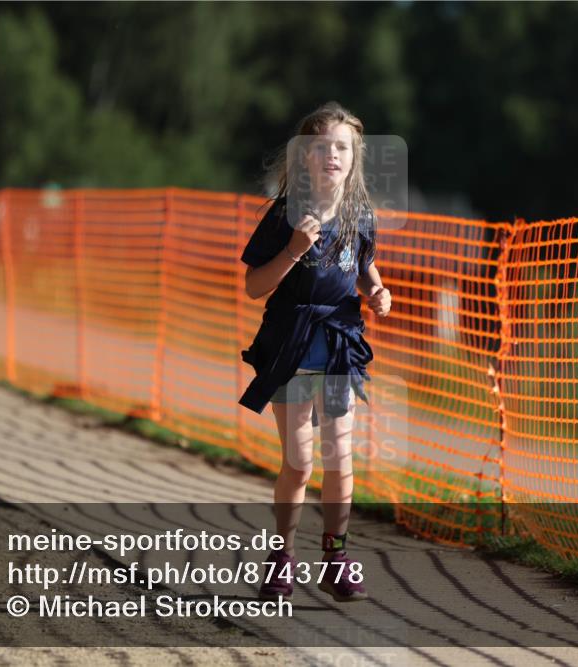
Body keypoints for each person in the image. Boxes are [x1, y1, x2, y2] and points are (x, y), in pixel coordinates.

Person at [239, 101, 391, 602]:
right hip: (293, 343)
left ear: (354, 157)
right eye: (322, 147)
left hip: (341, 346)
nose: (332, 155)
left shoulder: (359, 217)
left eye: (342, 148)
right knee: (300, 463)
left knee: (340, 460)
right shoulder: (285, 216)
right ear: (305, 157)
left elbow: (365, 266)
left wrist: (376, 291)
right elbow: (254, 287)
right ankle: (282, 557)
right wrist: (292, 252)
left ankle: (337, 557)